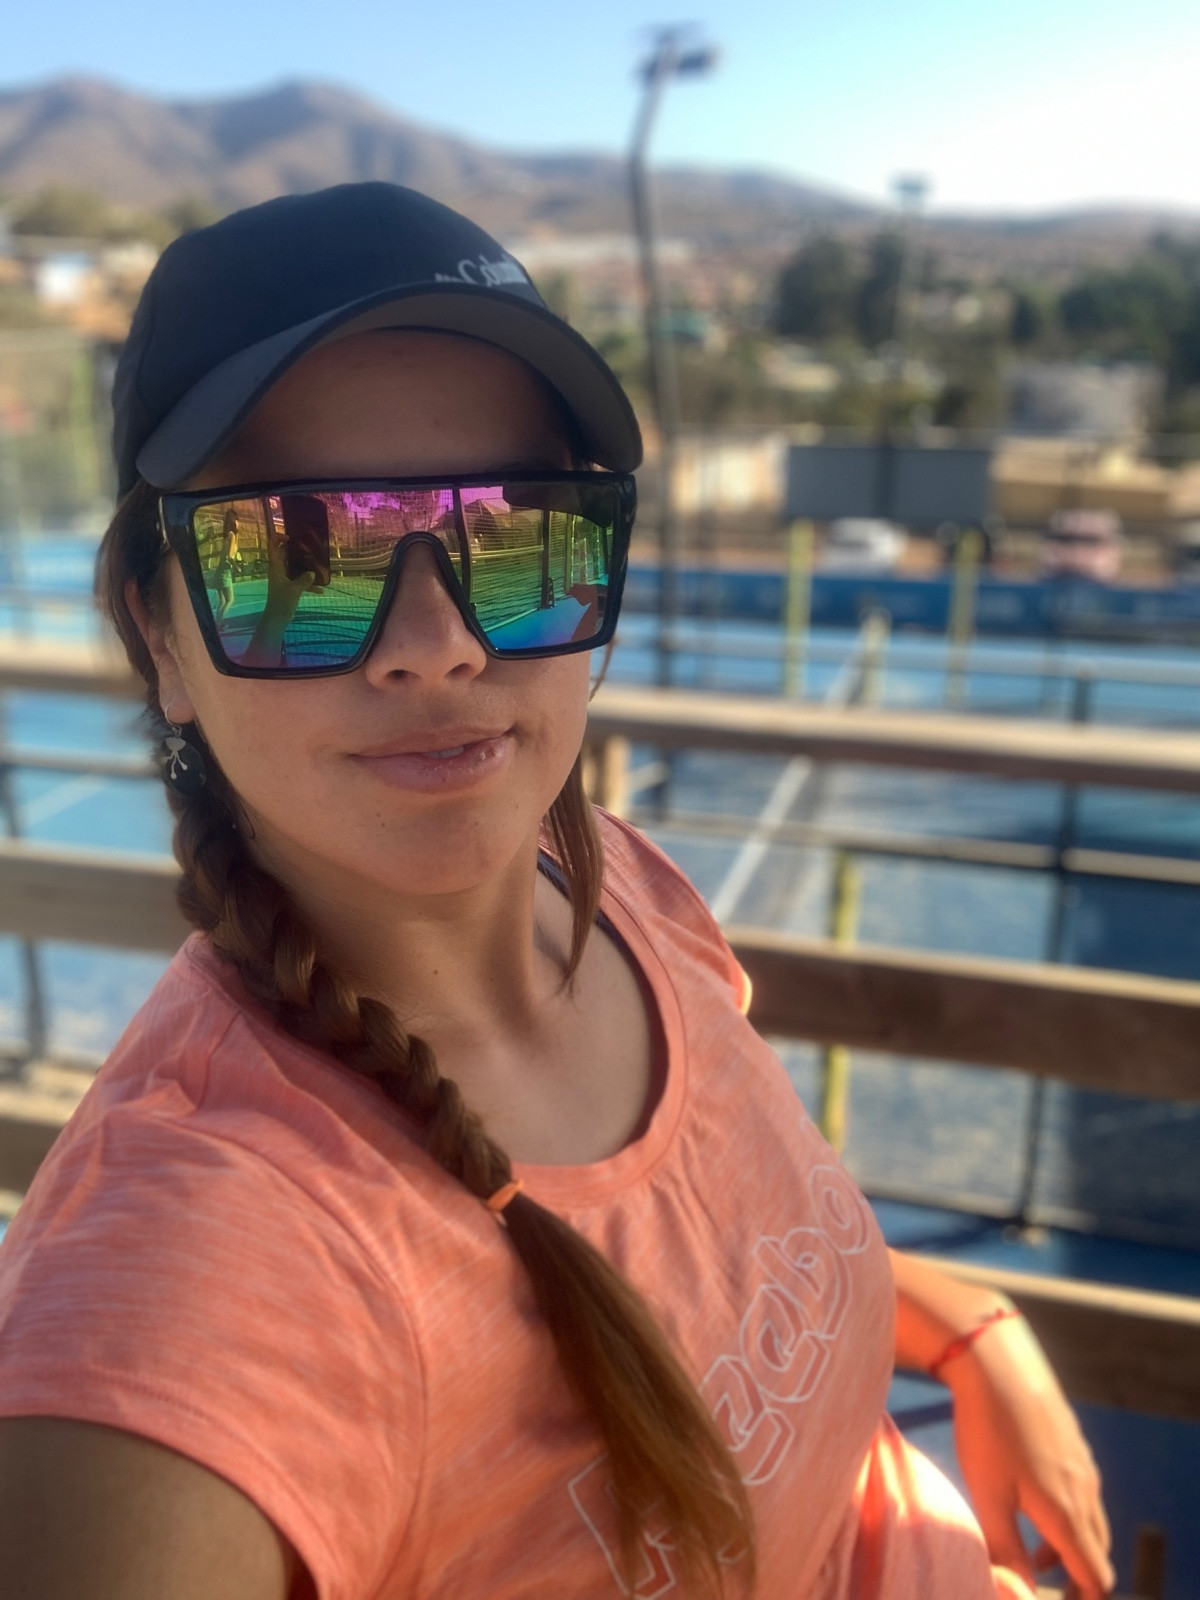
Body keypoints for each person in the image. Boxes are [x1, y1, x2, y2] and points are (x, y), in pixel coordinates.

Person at [0, 184, 1112, 1600]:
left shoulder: (624, 892)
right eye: (298, 556)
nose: (437, 644)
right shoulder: (194, 1273)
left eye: (517, 533)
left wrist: (962, 1326)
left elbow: (706, 1258)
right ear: (158, 636)